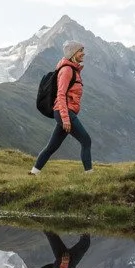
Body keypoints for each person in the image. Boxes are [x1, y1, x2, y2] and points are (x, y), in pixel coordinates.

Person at [30, 40, 92, 175]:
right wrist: (65, 118)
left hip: (64, 112)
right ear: (73, 53)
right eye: (80, 50)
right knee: (86, 141)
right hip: (65, 112)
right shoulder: (67, 70)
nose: (83, 53)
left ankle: (34, 173)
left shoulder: (72, 69)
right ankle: (89, 174)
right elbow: (61, 94)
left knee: (52, 146)